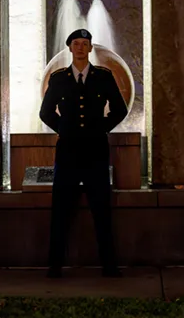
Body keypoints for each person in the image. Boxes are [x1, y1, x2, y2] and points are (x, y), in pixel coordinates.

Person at [39, 28, 128, 278]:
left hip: (95, 152)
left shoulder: (103, 77)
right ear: (69, 48)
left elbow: (119, 110)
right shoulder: (58, 79)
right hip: (67, 153)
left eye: (84, 43)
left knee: (101, 210)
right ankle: (54, 266)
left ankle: (109, 266)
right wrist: (65, 130)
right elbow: (45, 113)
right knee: (60, 210)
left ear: (90, 48)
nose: (80, 47)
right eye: (75, 43)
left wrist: (100, 128)